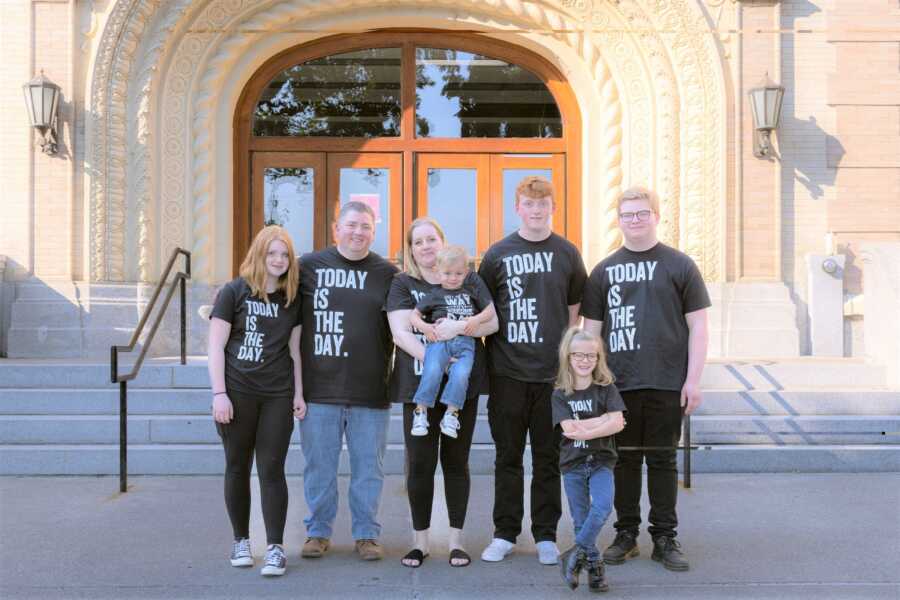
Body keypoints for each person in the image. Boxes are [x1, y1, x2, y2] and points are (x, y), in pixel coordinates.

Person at [581, 186, 710, 572]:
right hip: (617, 384)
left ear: (656, 215)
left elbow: (699, 328)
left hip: (667, 381)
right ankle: (626, 534)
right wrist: (591, 383)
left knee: (663, 460)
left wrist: (694, 380)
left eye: (641, 213)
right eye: (627, 214)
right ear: (617, 220)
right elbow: (591, 332)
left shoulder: (680, 265)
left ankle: (665, 536)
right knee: (621, 462)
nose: (634, 220)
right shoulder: (603, 270)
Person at [477, 176, 588, 565]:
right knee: (507, 457)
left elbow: (575, 313)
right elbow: (484, 310)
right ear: (518, 208)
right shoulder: (497, 254)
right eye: (529, 204)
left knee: (548, 458)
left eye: (543, 205)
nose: (537, 211)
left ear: (552, 208)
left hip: (552, 378)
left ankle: (545, 535)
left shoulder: (567, 253)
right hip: (507, 373)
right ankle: (504, 533)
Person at [386, 217, 498, 568]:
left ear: (442, 241)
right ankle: (420, 542)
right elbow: (400, 332)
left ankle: (455, 542)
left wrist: (463, 326)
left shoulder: (468, 277)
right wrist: (439, 360)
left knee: (455, 462)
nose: (425, 246)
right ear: (411, 249)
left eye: (431, 239)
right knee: (419, 464)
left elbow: (492, 322)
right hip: (417, 384)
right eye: (418, 242)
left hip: (461, 388)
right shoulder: (403, 283)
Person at [296, 201, 399, 562]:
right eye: (352, 225)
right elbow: (272, 294)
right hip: (319, 389)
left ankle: (367, 534)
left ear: (374, 231)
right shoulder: (308, 267)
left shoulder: (388, 273)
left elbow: (408, 318)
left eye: (366, 227)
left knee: (369, 468)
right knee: (319, 466)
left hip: (370, 389)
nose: (358, 232)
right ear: (336, 227)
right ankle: (317, 532)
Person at [208, 225, 304, 577]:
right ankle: (241, 541)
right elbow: (215, 346)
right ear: (259, 254)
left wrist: (299, 393)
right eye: (272, 253)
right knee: (236, 467)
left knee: (272, 469)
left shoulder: (292, 299)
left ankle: (275, 548)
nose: (278, 260)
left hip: (276, 395)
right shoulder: (234, 292)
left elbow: (294, 351)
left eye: (284, 255)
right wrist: (219, 394)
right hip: (236, 393)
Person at [552, 327, 626, 593]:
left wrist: (589, 428)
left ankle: (572, 554)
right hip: (572, 464)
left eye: (591, 356)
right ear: (568, 357)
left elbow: (618, 423)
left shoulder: (606, 389)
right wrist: (601, 422)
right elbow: (569, 430)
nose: (584, 361)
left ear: (598, 359)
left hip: (601, 461)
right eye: (578, 355)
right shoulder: (561, 392)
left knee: (603, 507)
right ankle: (595, 568)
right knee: (582, 519)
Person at [409, 245, 496, 439]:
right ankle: (420, 411)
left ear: (466, 272)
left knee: (462, 374)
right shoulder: (435, 294)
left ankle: (451, 414)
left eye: (458, 273)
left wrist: (475, 320)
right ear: (438, 272)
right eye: (447, 273)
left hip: (466, 344)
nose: (453, 277)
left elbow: (490, 311)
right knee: (432, 370)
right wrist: (425, 328)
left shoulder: (471, 291)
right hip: (439, 342)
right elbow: (414, 316)